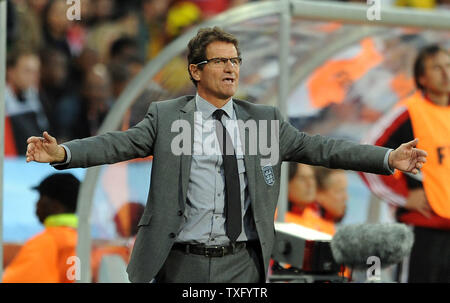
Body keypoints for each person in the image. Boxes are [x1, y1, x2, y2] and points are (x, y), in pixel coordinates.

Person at [26, 27, 427, 283]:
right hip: (180, 261)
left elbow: (323, 149)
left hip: (244, 263)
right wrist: (63, 151)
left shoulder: (265, 120)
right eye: (220, 61)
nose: (231, 68)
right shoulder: (166, 118)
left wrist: (387, 158)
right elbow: (116, 143)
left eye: (235, 60)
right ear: (196, 71)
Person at [360, 44, 450, 283]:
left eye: (449, 65)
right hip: (422, 229)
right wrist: (403, 197)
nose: (446, 73)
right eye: (437, 67)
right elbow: (367, 153)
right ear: (422, 77)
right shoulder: (407, 112)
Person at [3, 173, 80, 283]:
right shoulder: (82, 240)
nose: (36, 203)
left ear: (55, 205)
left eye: (41, 197)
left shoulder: (47, 242)